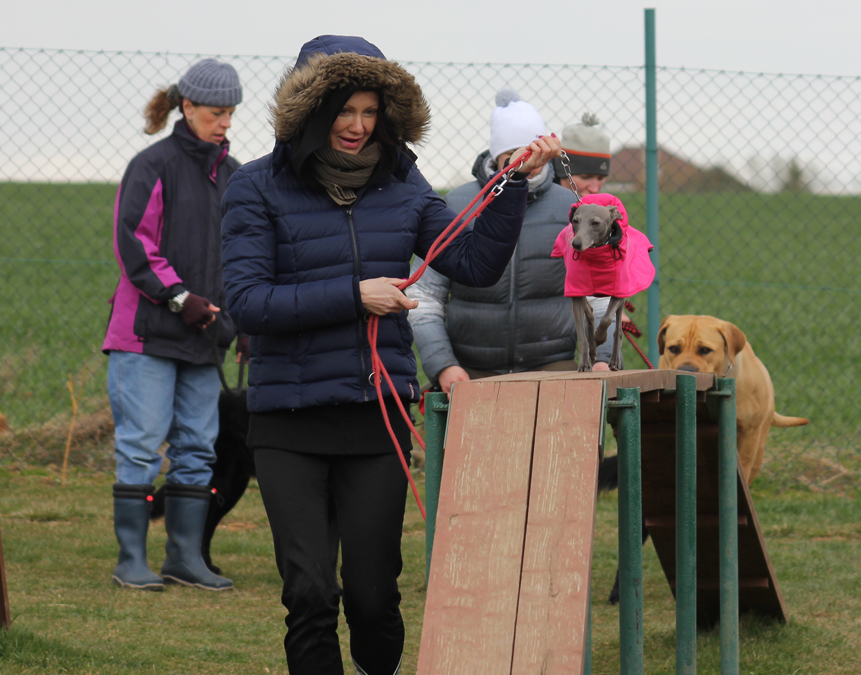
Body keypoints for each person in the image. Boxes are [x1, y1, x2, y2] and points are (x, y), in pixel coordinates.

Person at [219, 35, 561, 675]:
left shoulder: (404, 184)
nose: (357, 126)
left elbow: (474, 263)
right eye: (343, 110)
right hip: (287, 422)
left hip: (375, 419)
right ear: (309, 111)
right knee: (311, 594)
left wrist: (512, 181)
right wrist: (355, 295)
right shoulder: (254, 187)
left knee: (374, 599)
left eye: (370, 111)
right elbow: (248, 302)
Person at [102, 58, 246, 592]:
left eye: (230, 112)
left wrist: (243, 319)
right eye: (216, 112)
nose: (225, 122)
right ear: (187, 107)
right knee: (141, 445)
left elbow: (242, 257)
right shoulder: (152, 165)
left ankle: (184, 557)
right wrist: (181, 297)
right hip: (145, 335)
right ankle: (131, 561)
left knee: (199, 447)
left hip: (204, 339)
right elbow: (135, 242)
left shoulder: (235, 178)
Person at [407, 89, 577, 393]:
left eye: (535, 148)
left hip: (554, 366)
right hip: (470, 369)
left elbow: (597, 292)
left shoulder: (569, 208)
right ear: (498, 154)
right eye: (516, 153)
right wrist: (444, 365)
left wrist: (602, 358)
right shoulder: (457, 205)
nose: (528, 159)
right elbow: (424, 297)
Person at [554, 112, 623, 370]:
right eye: (584, 178)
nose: (595, 188)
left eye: (601, 179)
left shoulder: (601, 216)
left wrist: (603, 358)